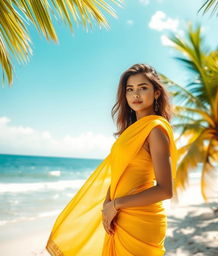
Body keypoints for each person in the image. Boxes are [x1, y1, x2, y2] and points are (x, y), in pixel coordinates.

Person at [45, 63, 177, 256]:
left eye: (143, 88)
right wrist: (107, 205)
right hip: (119, 216)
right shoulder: (130, 132)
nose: (135, 95)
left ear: (156, 92)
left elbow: (165, 190)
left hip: (141, 221)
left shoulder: (155, 131)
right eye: (130, 90)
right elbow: (119, 172)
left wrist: (115, 204)